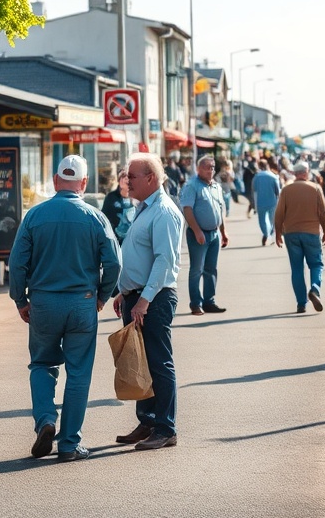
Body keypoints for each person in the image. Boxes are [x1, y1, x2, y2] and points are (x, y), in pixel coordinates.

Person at [8, 155, 120, 462]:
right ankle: (69, 444)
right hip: (82, 302)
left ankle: (45, 419)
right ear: (83, 183)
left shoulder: (34, 216)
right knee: (79, 373)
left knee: (42, 364)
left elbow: (17, 263)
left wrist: (20, 299)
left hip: (43, 302)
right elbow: (114, 262)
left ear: (56, 180)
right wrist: (102, 295)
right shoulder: (96, 217)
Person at [112, 153, 183, 452]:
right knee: (140, 360)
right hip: (136, 296)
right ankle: (148, 420)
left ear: (151, 178)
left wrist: (143, 300)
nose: (127, 181)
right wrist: (123, 291)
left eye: (132, 176)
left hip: (152, 297)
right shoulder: (145, 208)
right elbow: (138, 254)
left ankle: (166, 428)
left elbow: (164, 261)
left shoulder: (164, 211)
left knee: (158, 362)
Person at [274, 161, 325, 314]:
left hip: (291, 233)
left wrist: (278, 233)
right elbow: (323, 213)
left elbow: (279, 213)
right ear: (306, 172)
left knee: (297, 268)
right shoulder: (316, 188)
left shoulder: (286, 190)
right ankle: (314, 289)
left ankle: (301, 304)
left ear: (294, 173)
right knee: (316, 264)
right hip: (311, 232)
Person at [179, 155, 229, 316]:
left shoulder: (216, 186)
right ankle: (195, 304)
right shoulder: (192, 186)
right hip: (198, 234)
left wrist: (223, 231)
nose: (210, 170)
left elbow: (220, 211)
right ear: (198, 169)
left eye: (213, 167)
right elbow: (187, 209)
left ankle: (209, 302)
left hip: (214, 233)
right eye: (207, 167)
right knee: (196, 270)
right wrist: (196, 231)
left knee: (211, 269)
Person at [251, 158, 281, 246]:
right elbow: (277, 191)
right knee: (272, 219)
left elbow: (253, 189)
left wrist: (252, 202)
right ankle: (271, 235)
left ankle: (266, 233)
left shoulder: (257, 177)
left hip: (260, 201)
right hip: (272, 201)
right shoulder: (273, 176)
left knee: (262, 220)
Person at [101, 170, 135, 244]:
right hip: (115, 239)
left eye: (127, 178)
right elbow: (104, 217)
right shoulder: (111, 197)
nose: (124, 181)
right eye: (122, 178)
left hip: (132, 240)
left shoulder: (136, 198)